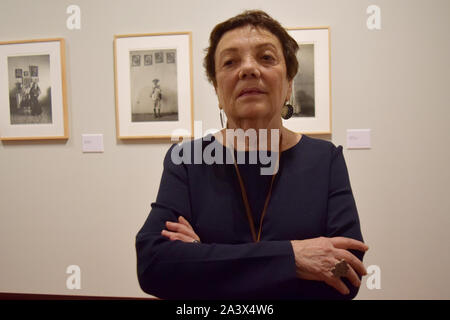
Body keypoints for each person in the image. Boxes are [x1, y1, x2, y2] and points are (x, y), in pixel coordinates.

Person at [136, 10, 368, 300]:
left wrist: (201, 258)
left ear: (288, 86)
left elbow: (348, 274)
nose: (248, 69)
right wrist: (294, 257)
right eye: (230, 62)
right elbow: (153, 265)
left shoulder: (326, 160)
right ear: (218, 91)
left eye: (266, 57)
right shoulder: (187, 159)